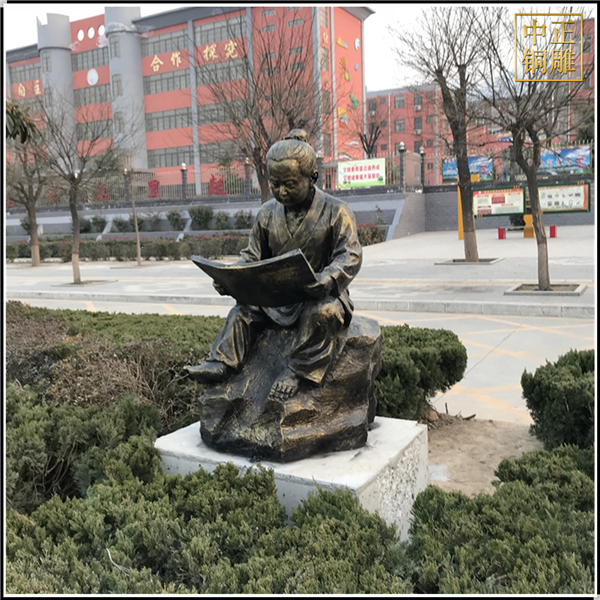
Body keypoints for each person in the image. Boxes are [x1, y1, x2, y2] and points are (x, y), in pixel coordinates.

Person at [187, 134, 362, 401]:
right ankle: (222, 362)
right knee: (242, 311)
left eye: (290, 184)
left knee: (323, 313)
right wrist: (231, 278)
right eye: (276, 184)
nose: (281, 192)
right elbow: (252, 255)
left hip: (318, 295)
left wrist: (327, 279)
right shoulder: (267, 213)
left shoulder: (337, 211)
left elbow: (350, 254)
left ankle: (297, 371)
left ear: (312, 177)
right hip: (277, 298)